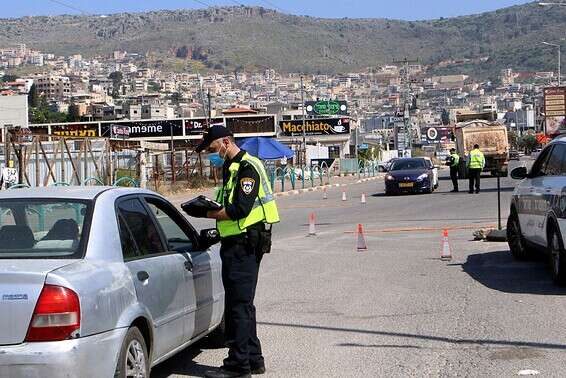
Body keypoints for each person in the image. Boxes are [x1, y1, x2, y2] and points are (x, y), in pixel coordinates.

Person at [197, 126, 280, 378]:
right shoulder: (231, 167)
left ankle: (237, 366)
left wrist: (205, 213)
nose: (212, 154)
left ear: (225, 142)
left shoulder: (247, 168)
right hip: (235, 242)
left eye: (213, 149)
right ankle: (254, 359)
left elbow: (239, 210)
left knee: (238, 307)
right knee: (244, 305)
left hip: (244, 245)